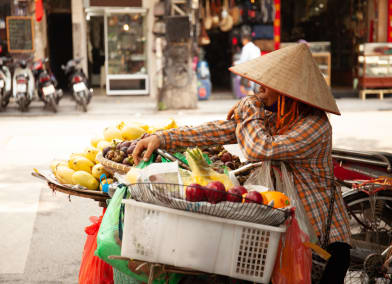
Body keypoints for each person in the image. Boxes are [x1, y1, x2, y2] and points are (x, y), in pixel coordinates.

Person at [132, 43, 352, 283]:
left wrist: (248, 106)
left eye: (267, 85)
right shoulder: (275, 116)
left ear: (288, 92)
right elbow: (220, 131)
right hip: (290, 233)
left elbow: (259, 148)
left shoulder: (314, 126)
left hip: (322, 243)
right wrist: (163, 138)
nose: (259, 89)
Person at [236, 29, 261, 96]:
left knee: (245, 89)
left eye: (242, 40)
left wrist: (235, 64)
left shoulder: (246, 48)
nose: (242, 42)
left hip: (249, 71)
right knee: (255, 89)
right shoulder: (256, 48)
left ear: (245, 40)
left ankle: (250, 95)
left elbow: (243, 61)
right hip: (258, 71)